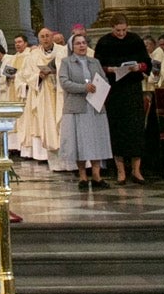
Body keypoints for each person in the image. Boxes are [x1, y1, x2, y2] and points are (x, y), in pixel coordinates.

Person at [94, 14, 150, 184]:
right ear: (112, 28)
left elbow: (146, 62)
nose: (121, 33)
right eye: (118, 30)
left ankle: (136, 170)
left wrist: (137, 67)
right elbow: (97, 66)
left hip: (132, 89)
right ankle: (120, 172)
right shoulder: (104, 42)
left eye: (124, 30)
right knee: (117, 129)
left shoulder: (135, 40)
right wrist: (110, 69)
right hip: (114, 91)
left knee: (135, 129)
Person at [57, 33, 112, 187]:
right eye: (78, 43)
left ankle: (96, 175)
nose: (82, 46)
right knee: (79, 142)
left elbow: (104, 79)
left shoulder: (95, 62)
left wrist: (99, 87)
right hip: (77, 107)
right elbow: (64, 82)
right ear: (72, 47)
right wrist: (83, 88)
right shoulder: (66, 62)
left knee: (95, 141)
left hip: (94, 107)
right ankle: (82, 176)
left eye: (83, 43)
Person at [16, 28, 66, 165]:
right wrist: (39, 76)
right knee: (47, 122)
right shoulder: (34, 55)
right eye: (42, 37)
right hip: (44, 92)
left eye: (48, 36)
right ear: (39, 39)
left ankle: (66, 155)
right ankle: (48, 156)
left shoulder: (62, 51)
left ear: (52, 37)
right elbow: (26, 74)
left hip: (60, 92)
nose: (45, 39)